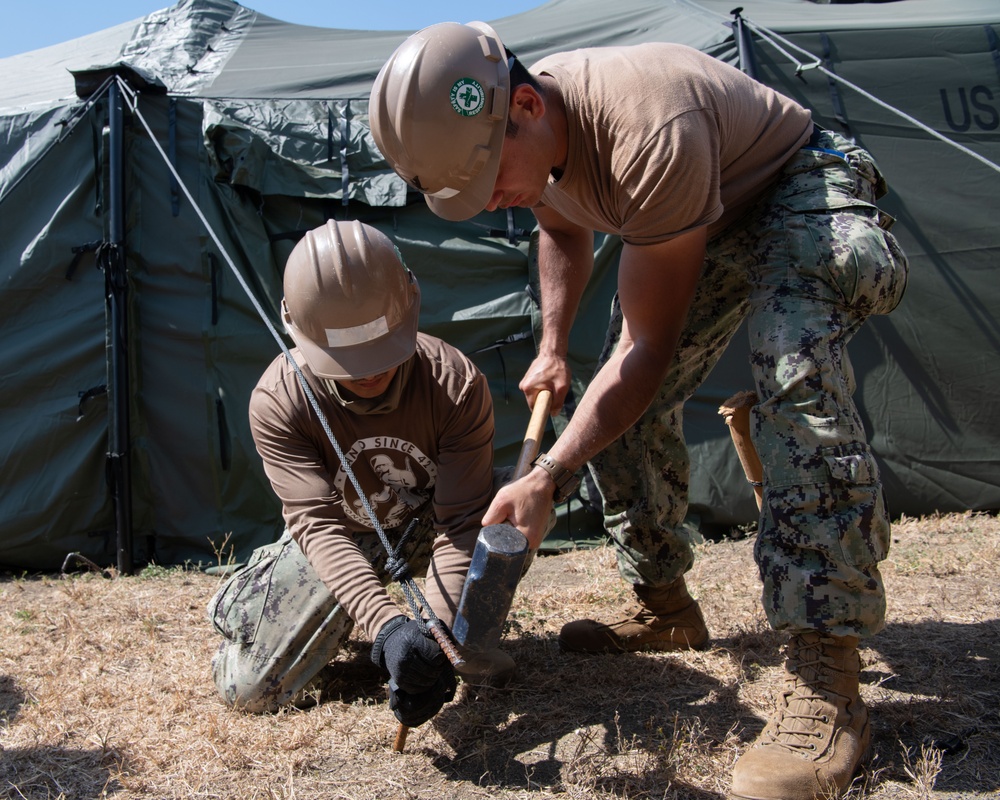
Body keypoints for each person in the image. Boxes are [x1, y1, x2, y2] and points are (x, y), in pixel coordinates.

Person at [369, 22, 908, 800]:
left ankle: (828, 675)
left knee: (793, 379)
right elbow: (559, 224)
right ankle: (665, 605)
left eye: (487, 180)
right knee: (609, 411)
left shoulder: (648, 129)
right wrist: (553, 345)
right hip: (699, 217)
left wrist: (548, 473)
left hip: (796, 185)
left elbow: (645, 354)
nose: (490, 202)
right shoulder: (521, 135)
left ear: (526, 104)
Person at [207, 219, 508, 728]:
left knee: (507, 518)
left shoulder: (455, 385)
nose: (367, 372)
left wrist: (431, 639)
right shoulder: (279, 401)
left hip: (428, 527)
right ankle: (248, 597)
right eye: (343, 359)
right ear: (295, 332)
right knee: (249, 691)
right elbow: (318, 526)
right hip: (343, 538)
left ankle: (463, 635)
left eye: (380, 350)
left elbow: (460, 526)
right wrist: (388, 626)